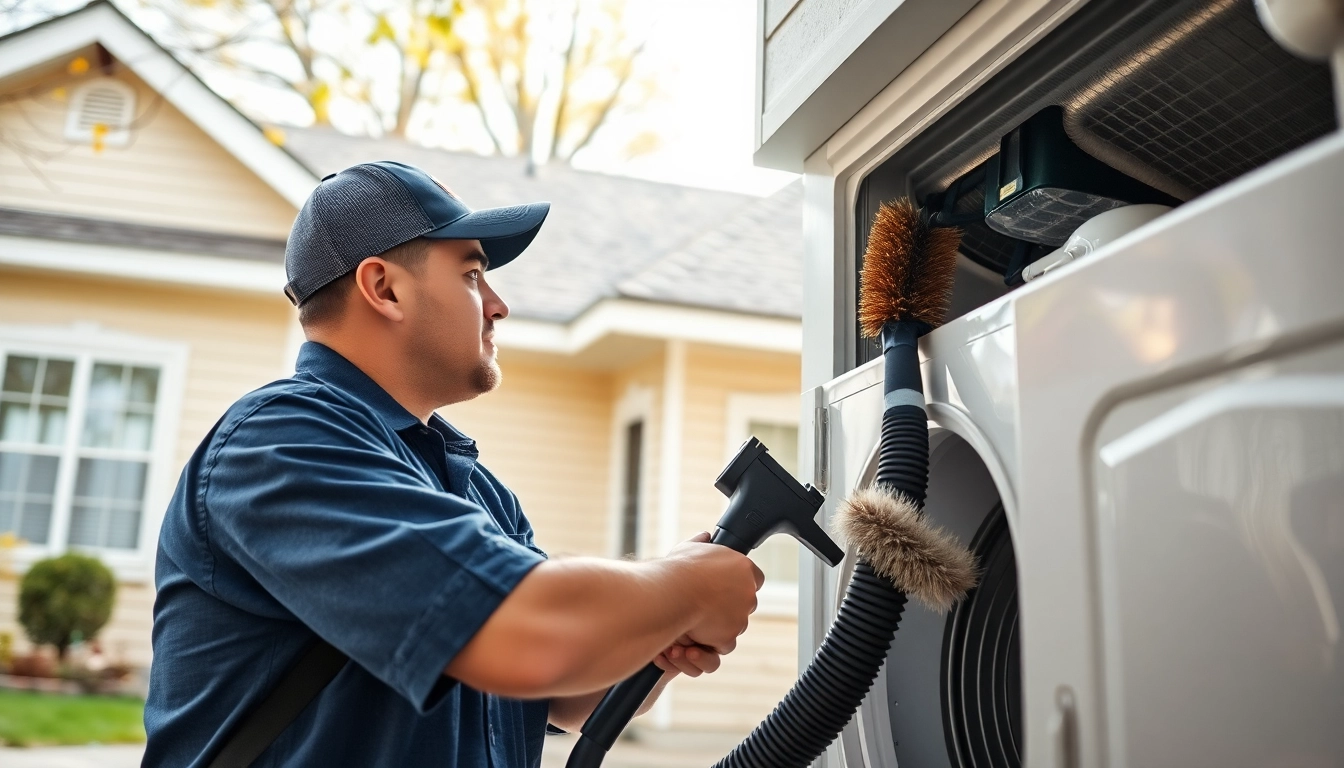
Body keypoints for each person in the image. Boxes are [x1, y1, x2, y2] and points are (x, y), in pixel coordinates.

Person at [142, 161, 764, 767]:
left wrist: (658, 630)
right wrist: (686, 587)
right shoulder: (279, 444)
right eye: (471, 275)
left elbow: (565, 693)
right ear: (383, 288)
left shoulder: (477, 490)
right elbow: (529, 637)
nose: (498, 305)